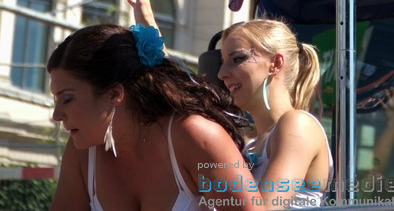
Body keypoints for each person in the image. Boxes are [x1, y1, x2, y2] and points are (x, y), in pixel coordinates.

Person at [48, 23, 254, 210]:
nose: (56, 115)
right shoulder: (82, 151)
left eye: (67, 99)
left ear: (114, 94)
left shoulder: (197, 136)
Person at [218, 19, 333, 207]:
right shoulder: (250, 143)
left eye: (237, 59)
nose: (221, 73)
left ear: (276, 63)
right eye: (222, 62)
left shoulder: (298, 124)